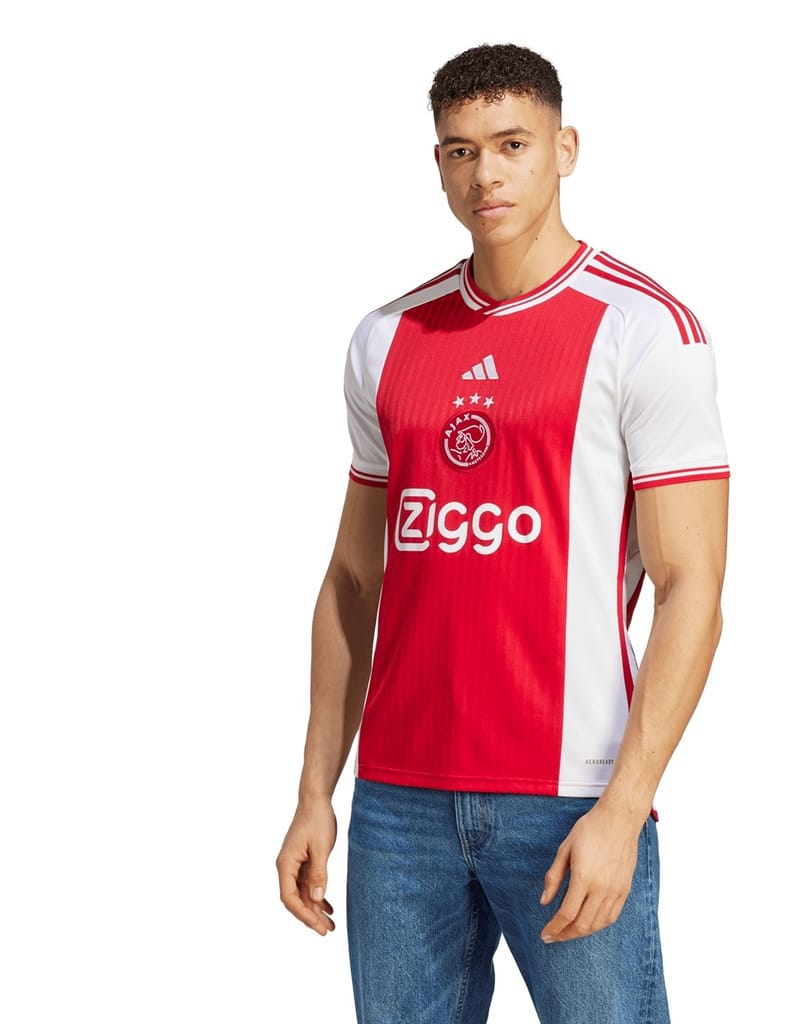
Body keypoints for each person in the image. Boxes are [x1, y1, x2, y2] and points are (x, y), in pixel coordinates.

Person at [276, 42, 730, 1024]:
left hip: (569, 795)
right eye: (461, 150)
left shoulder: (645, 330)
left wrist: (624, 806)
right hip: (398, 802)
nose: (486, 173)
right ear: (439, 164)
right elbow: (352, 580)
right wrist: (317, 789)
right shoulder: (387, 337)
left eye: (512, 144)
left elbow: (693, 586)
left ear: (564, 149)